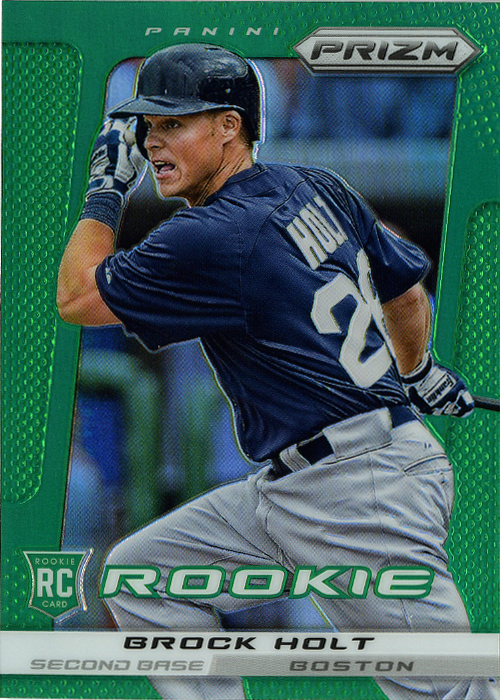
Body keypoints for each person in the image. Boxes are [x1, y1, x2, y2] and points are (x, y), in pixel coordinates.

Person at [57, 43, 497, 700]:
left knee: (457, 690)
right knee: (143, 577)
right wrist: (418, 372)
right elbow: (405, 296)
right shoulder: (317, 185)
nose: (151, 143)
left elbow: (76, 297)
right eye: (148, 125)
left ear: (229, 126)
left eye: (174, 123)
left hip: (359, 489)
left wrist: (105, 194)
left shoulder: (206, 234)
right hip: (310, 481)